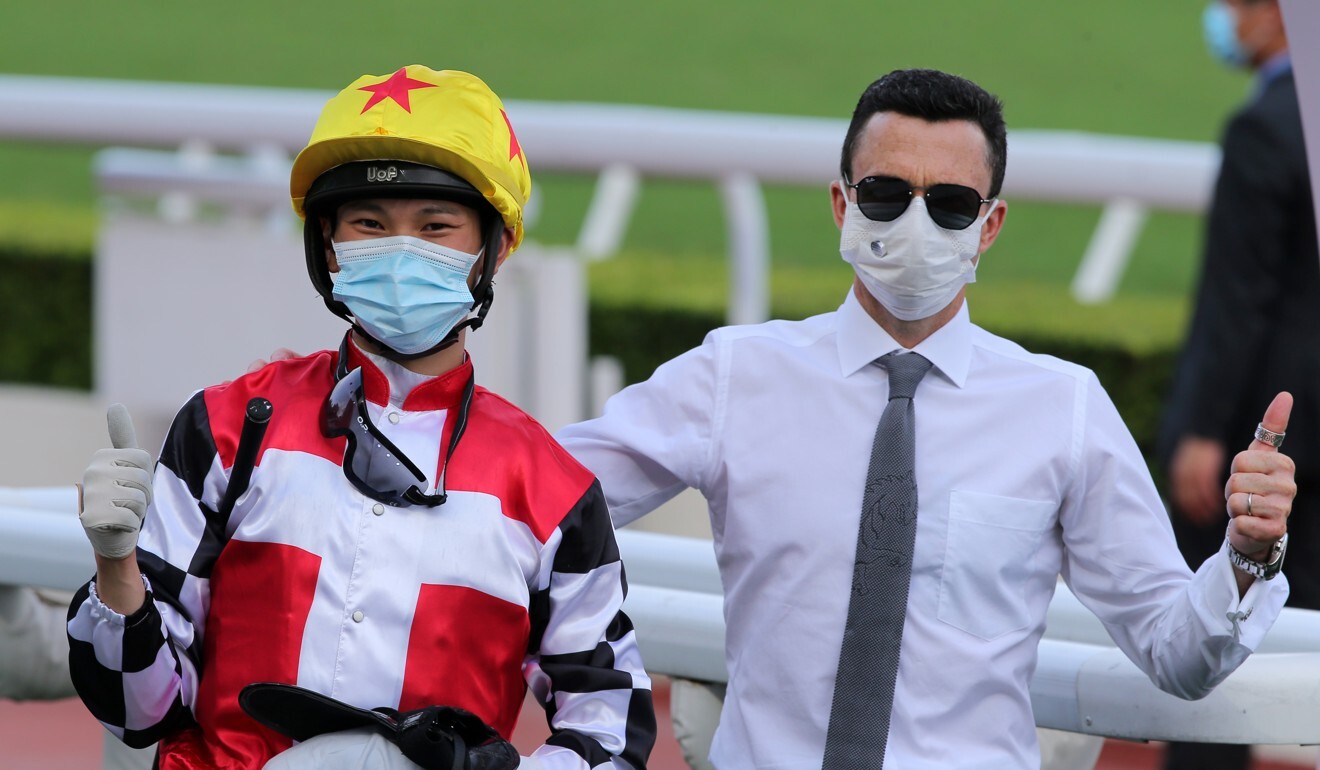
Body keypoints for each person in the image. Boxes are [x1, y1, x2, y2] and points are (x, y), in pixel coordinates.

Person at [553, 68, 1298, 769]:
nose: (916, 221)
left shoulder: (1063, 407)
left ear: (991, 225)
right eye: (885, 193)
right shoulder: (734, 374)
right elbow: (540, 496)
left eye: (950, 204)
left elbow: (1178, 653)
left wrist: (1247, 555)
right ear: (842, 204)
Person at [66, 65, 655, 770]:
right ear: (328, 246)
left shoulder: (552, 488)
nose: (402, 251)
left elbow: (610, 727)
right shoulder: (227, 427)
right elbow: (141, 713)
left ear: (492, 249)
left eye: (436, 227)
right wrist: (116, 570)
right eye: (370, 226)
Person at [1158, 3, 1316, 768]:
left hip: (1275, 443)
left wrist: (1199, 429)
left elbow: (1237, 300)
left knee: (1216, 658)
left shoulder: (1266, 127)